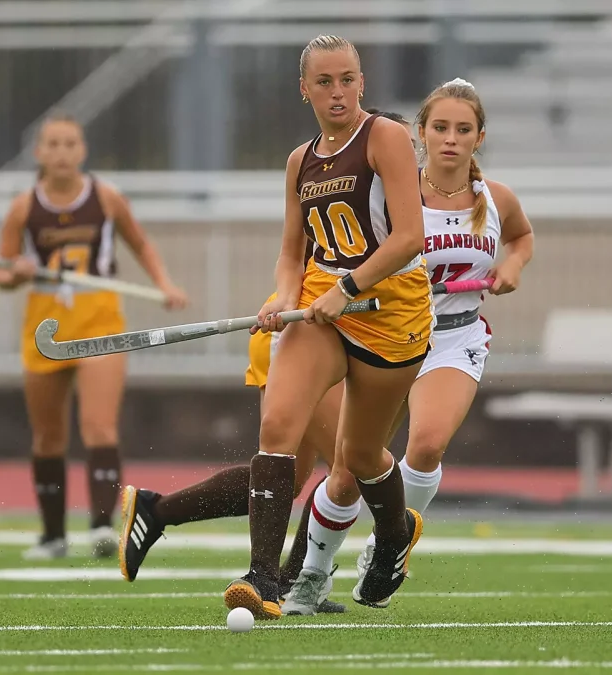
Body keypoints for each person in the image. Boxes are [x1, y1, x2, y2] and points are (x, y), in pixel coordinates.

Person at [116, 109, 417, 618]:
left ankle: (156, 510)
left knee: (299, 476)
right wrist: (291, 296)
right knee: (344, 467)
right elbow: (300, 254)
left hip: (360, 329)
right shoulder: (345, 171)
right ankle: (286, 581)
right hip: (313, 327)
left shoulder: (427, 198)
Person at [281, 78, 535, 613]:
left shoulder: (496, 199)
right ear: (419, 134)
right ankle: (313, 572)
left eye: (462, 130)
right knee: (351, 467)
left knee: (425, 445)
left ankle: (388, 545)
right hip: (388, 333)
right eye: (439, 127)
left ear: (479, 137)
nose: (450, 139)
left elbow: (521, 237)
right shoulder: (396, 189)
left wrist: (511, 265)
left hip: (452, 336)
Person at [227, 34, 433, 621]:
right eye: (324, 82)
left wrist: (349, 288)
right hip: (322, 305)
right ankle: (263, 576)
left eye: (347, 79)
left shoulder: (386, 138)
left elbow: (408, 237)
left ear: (361, 82)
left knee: (361, 454)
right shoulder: (300, 161)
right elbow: (293, 252)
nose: (337, 92)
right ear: (305, 90)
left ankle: (394, 534)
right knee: (278, 421)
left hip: (389, 312)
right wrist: (285, 298)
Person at [0, 114, 187, 561]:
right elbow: (3, 272)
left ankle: (101, 525)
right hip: (45, 324)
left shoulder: (106, 198)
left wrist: (165, 284)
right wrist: (16, 272)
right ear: (39, 153)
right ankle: (52, 535)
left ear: (82, 151)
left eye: (70, 144)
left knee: (99, 425)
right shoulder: (24, 207)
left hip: (100, 321)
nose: (62, 152)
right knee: (47, 436)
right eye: (53, 144)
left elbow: (141, 245)